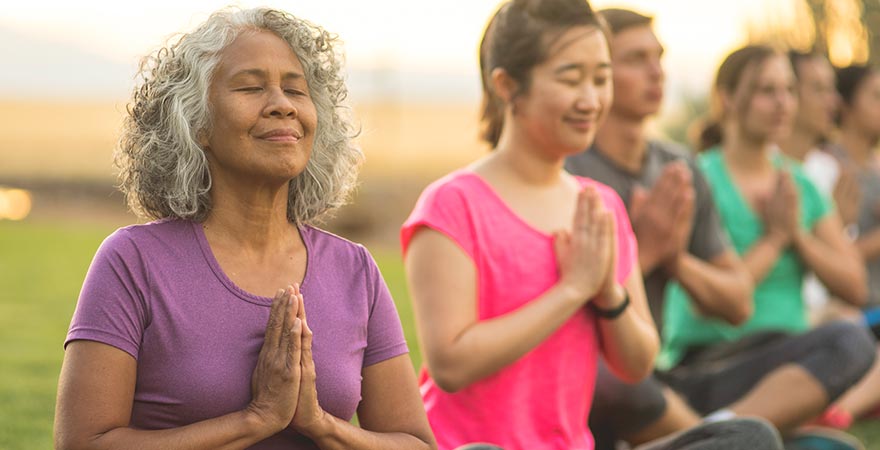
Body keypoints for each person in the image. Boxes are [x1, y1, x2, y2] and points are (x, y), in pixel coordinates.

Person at [402, 1, 782, 449]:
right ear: (506, 85)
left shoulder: (599, 206)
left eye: (600, 79)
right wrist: (571, 289)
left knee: (748, 437)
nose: (591, 99)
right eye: (570, 78)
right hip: (472, 447)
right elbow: (450, 365)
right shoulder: (453, 204)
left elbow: (638, 363)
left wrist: (608, 292)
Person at [54, 7, 436, 450]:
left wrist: (319, 423)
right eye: (251, 87)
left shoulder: (355, 270)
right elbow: (83, 443)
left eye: (296, 90)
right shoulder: (133, 262)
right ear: (196, 123)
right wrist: (256, 420)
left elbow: (416, 444)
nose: (283, 104)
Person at [659, 44, 875, 437]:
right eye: (766, 91)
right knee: (847, 341)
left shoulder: (800, 184)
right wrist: (775, 238)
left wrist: (798, 235)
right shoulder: (697, 178)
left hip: (788, 361)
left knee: (852, 340)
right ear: (728, 99)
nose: (782, 104)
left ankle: (716, 432)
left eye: (789, 90)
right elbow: (715, 303)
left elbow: (854, 285)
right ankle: (722, 433)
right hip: (715, 360)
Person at [565, 8, 753, 449]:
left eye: (660, 57)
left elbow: (738, 304)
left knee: (844, 343)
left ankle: (709, 433)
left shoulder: (679, 168)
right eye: (636, 59)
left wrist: (676, 259)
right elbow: (566, 320)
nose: (656, 72)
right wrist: (643, 252)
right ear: (598, 74)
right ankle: (717, 438)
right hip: (595, 383)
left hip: (658, 374)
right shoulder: (567, 170)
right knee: (612, 380)